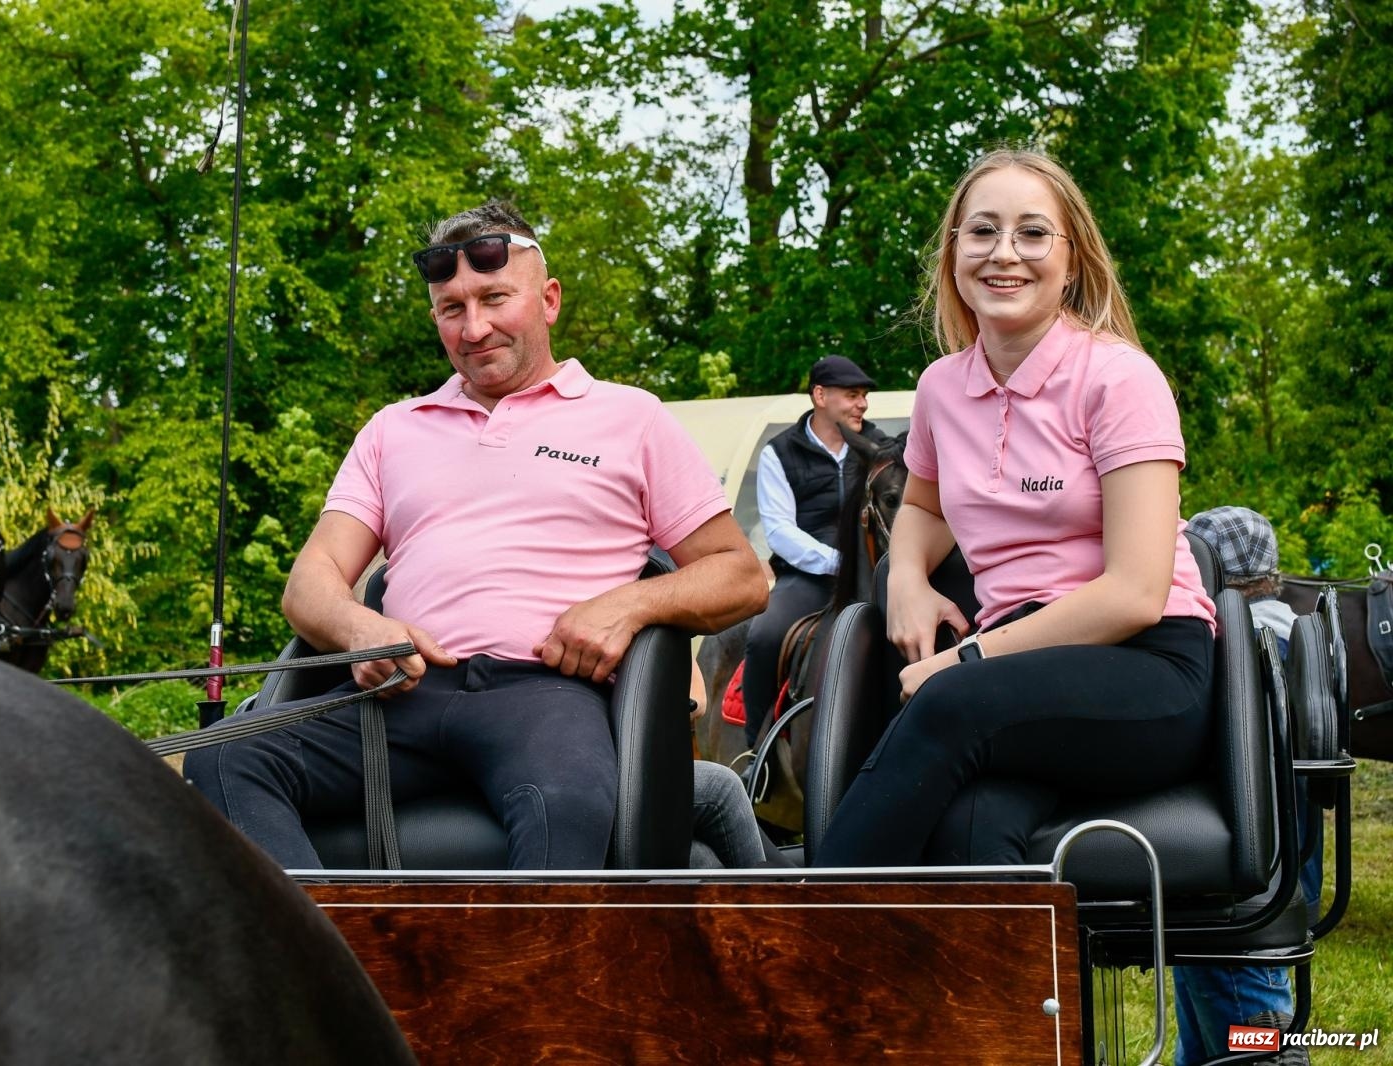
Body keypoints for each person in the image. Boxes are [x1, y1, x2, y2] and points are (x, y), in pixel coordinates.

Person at [185, 201, 766, 871]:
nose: (475, 327)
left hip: (543, 695)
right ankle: (331, 966)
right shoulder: (391, 430)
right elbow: (309, 583)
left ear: (548, 299)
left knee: (567, 805)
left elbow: (741, 575)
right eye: (451, 308)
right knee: (222, 757)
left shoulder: (631, 418)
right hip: (401, 691)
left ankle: (520, 979)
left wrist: (626, 605)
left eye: (495, 298)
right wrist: (358, 630)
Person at [813, 148, 1217, 869]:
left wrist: (965, 661)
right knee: (970, 831)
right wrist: (905, 576)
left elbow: (1135, 593)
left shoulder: (1119, 378)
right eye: (982, 232)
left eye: (1033, 233)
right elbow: (924, 508)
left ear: (1073, 261)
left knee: (943, 706)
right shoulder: (941, 387)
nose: (1005, 254)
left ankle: (794, 948)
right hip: (1013, 675)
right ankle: (996, 986)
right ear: (953, 253)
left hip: (1147, 666)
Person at [1175, 506, 1316, 1066]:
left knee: (1252, 1042)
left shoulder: (1236, 651)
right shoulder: (1294, 634)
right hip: (1280, 878)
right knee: (1209, 1031)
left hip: (1232, 893)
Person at [741, 354, 888, 748]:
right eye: (853, 395)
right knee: (765, 633)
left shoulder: (878, 446)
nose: (863, 404)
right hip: (808, 576)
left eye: (864, 396)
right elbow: (780, 530)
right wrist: (836, 561)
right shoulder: (779, 452)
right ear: (820, 395)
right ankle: (757, 750)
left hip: (874, 569)